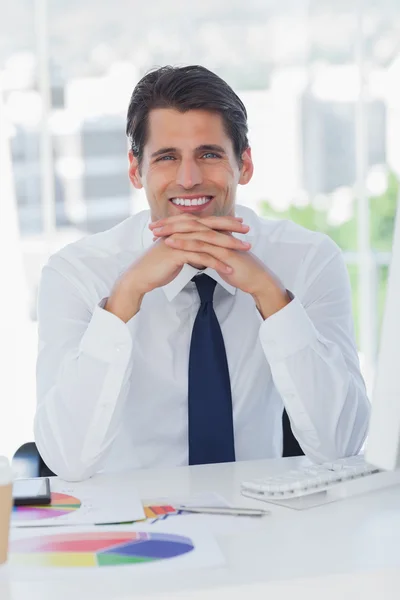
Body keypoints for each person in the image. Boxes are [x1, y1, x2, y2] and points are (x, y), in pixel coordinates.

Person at [34, 65, 370, 481]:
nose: (189, 179)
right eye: (166, 157)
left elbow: (342, 446)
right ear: (136, 170)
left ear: (243, 164)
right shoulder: (76, 273)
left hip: (264, 521)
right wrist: (124, 299)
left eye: (209, 154)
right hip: (134, 526)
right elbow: (67, 460)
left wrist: (271, 296)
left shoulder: (308, 259)